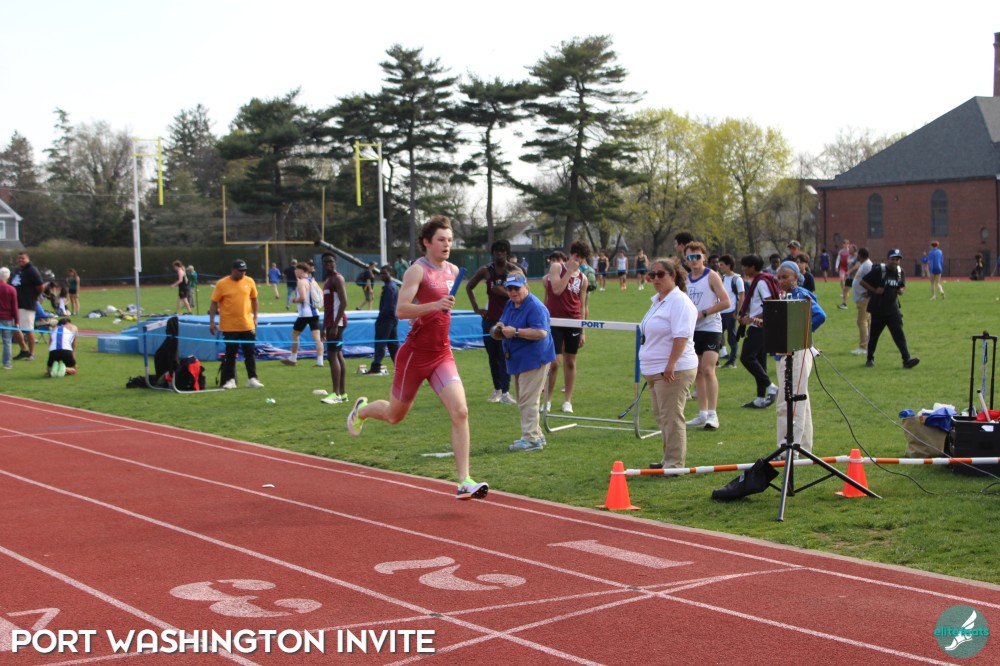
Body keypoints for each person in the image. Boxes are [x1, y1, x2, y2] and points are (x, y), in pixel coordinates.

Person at [346, 215, 489, 501]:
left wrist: (436, 307)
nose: (447, 245)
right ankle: (361, 411)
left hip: (442, 354)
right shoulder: (417, 271)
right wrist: (434, 305)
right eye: (441, 240)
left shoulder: (453, 270)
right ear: (426, 242)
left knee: (460, 411)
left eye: (450, 240)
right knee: (394, 416)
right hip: (414, 355)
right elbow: (401, 310)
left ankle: (464, 481)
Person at [639, 257, 698, 470]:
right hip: (655, 369)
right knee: (662, 417)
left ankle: (675, 464)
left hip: (673, 369)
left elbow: (681, 336)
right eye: (652, 275)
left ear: (672, 276)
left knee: (672, 417)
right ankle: (668, 459)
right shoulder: (658, 301)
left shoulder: (679, 302)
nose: (655, 279)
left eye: (660, 274)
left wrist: (670, 364)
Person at [496, 274, 556, 452]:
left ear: (526, 287)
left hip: (534, 358)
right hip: (518, 358)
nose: (513, 292)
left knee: (528, 400)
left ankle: (531, 439)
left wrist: (515, 332)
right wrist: (500, 326)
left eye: (516, 288)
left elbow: (541, 332)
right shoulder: (511, 303)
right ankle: (536, 435)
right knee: (523, 399)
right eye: (509, 289)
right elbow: (504, 319)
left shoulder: (535, 307)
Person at [772, 262, 826, 455]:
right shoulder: (785, 296)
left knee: (790, 400)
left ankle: (788, 447)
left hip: (798, 352)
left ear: (796, 277)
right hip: (786, 352)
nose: (781, 281)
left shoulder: (800, 294)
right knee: (799, 398)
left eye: (785, 277)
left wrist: (799, 334)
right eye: (779, 278)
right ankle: (803, 446)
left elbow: (819, 315)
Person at [466, 239, 521, 405]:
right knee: (493, 356)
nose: (499, 254)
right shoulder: (486, 270)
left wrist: (502, 291)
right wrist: (477, 308)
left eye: (503, 251)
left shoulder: (514, 271)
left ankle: (506, 392)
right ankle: (497, 389)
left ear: (507, 253)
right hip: (490, 319)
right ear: (492, 253)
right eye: (497, 251)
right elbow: (469, 287)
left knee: (505, 355)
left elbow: (523, 292)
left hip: (509, 320)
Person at [683, 242, 730, 431]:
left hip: (711, 328)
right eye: (690, 257)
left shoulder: (712, 276)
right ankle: (702, 413)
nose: (694, 260)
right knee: (698, 372)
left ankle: (713, 414)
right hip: (692, 329)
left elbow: (726, 302)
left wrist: (703, 313)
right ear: (686, 259)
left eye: (697, 256)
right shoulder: (685, 279)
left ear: (704, 257)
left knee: (709, 369)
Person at [544, 241, 591, 414]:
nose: (577, 259)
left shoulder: (583, 279)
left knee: (570, 361)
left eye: (581, 257)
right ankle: (547, 400)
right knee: (554, 362)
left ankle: (567, 401)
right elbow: (556, 290)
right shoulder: (557, 267)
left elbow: (582, 305)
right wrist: (569, 271)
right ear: (570, 254)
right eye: (575, 255)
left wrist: (583, 330)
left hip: (574, 322)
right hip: (555, 321)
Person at [859, 249, 920, 369]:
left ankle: (906, 360)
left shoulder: (900, 272)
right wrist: (874, 290)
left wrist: (901, 290)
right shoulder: (879, 270)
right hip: (878, 309)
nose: (895, 262)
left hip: (893, 310)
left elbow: (902, 286)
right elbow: (863, 281)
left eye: (897, 260)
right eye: (893, 259)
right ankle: (870, 358)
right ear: (888, 259)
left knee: (899, 335)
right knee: (874, 335)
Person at [208, 259, 264, 389]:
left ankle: (252, 378)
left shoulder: (249, 281)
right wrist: (212, 322)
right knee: (230, 354)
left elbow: (254, 299)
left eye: (244, 271)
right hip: (229, 326)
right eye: (240, 271)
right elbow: (214, 303)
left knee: (249, 353)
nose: (242, 273)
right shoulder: (222, 284)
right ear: (233, 270)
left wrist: (256, 317)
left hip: (247, 324)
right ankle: (230, 380)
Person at [737, 254, 779, 408]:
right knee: (760, 361)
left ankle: (771, 387)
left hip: (759, 327)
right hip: (762, 326)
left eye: (745, 266)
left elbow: (770, 305)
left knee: (746, 357)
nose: (743, 269)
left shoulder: (761, 283)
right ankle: (760, 398)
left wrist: (751, 319)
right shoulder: (760, 280)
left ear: (753, 267)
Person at [281, 262, 324, 368]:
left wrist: (294, 300)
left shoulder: (301, 282)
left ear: (301, 270)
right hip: (315, 313)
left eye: (296, 270)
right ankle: (320, 361)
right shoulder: (313, 281)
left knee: (295, 334)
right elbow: (320, 294)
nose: (295, 272)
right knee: (317, 338)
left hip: (305, 314)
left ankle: (293, 358)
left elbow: (303, 297)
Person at [320, 253, 348, 404]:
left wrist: (335, 325)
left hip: (337, 323)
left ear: (335, 263)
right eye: (325, 262)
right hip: (331, 323)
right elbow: (327, 307)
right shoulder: (327, 280)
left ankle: (335, 393)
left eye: (331, 261)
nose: (328, 264)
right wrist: (325, 327)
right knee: (338, 355)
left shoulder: (337, 279)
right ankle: (342, 394)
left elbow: (344, 302)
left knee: (332, 356)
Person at [10, 251, 43, 361]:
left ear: (28, 259)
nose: (20, 260)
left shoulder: (32, 270)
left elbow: (40, 285)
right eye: (19, 258)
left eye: (23, 258)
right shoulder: (17, 271)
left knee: (28, 329)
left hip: (27, 304)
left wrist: (36, 295)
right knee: (14, 328)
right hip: (15, 304)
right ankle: (24, 350)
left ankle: (32, 353)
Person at [369, 264, 399, 376]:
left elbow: (388, 306)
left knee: (380, 343)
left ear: (391, 273)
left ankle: (376, 367)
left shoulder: (389, 287)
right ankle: (400, 367)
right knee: (393, 346)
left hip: (386, 319)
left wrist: (381, 319)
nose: (382, 276)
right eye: (381, 274)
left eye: (385, 273)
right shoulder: (393, 286)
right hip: (392, 319)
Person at [718, 255, 744, 370]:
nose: (720, 266)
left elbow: (742, 296)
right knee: (717, 335)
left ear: (729, 265)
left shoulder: (737, 279)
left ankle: (732, 361)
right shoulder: (722, 279)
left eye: (722, 264)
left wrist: (737, 311)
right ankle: (715, 360)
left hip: (731, 311)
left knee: (731, 337)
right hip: (721, 312)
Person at [850, 247, 873, 355]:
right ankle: (867, 345)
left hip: (864, 299)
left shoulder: (868, 265)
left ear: (860, 255)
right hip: (861, 298)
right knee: (866, 322)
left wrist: (870, 292)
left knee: (861, 321)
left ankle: (863, 347)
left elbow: (873, 280)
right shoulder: (864, 264)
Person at [0, 267, 18, 369]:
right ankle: (7, 363)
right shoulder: (11, 289)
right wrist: (17, 321)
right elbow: (14, 307)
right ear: (8, 277)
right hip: (7, 319)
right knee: (7, 342)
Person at [835, 239, 852, 308]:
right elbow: (838, 259)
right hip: (842, 267)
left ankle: (846, 292)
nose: (845, 245)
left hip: (848, 268)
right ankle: (843, 291)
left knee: (847, 281)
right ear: (843, 245)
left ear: (848, 244)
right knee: (842, 279)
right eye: (844, 244)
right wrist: (836, 266)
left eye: (847, 244)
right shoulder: (841, 252)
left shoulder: (850, 251)